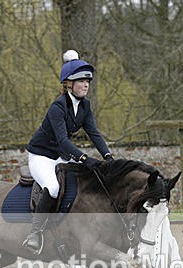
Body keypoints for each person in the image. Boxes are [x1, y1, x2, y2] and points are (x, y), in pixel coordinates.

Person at [22, 49, 114, 254]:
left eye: (87, 81)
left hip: (60, 156)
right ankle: (34, 233)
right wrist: (84, 158)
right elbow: (63, 141)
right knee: (53, 188)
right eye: (81, 81)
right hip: (42, 156)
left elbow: (94, 133)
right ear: (69, 84)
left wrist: (108, 156)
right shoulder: (58, 106)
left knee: (89, 178)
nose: (86, 85)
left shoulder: (85, 106)